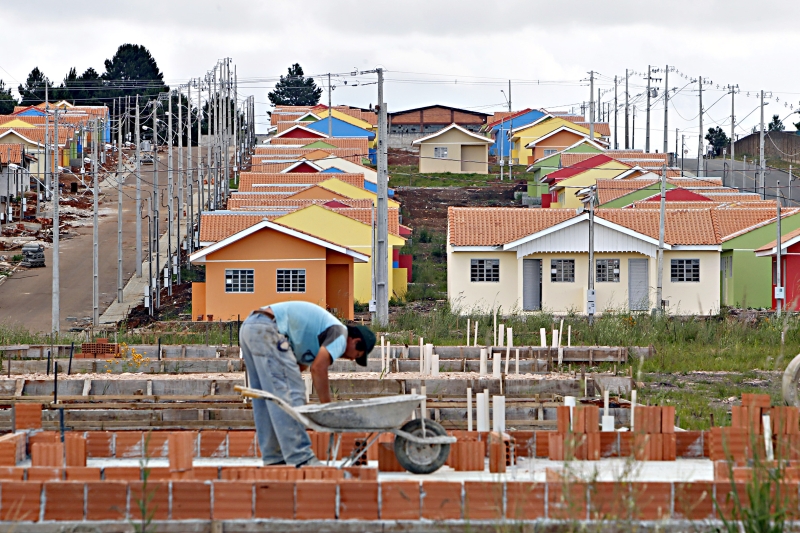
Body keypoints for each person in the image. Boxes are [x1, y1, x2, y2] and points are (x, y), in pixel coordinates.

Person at [239, 301, 376, 467]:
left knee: (267, 398)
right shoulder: (340, 334)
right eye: (357, 354)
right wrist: (327, 409)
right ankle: (300, 457)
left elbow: (298, 368)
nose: (353, 359)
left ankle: (274, 457)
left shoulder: (316, 340)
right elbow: (318, 369)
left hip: (251, 327)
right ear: (355, 341)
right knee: (293, 394)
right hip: (269, 329)